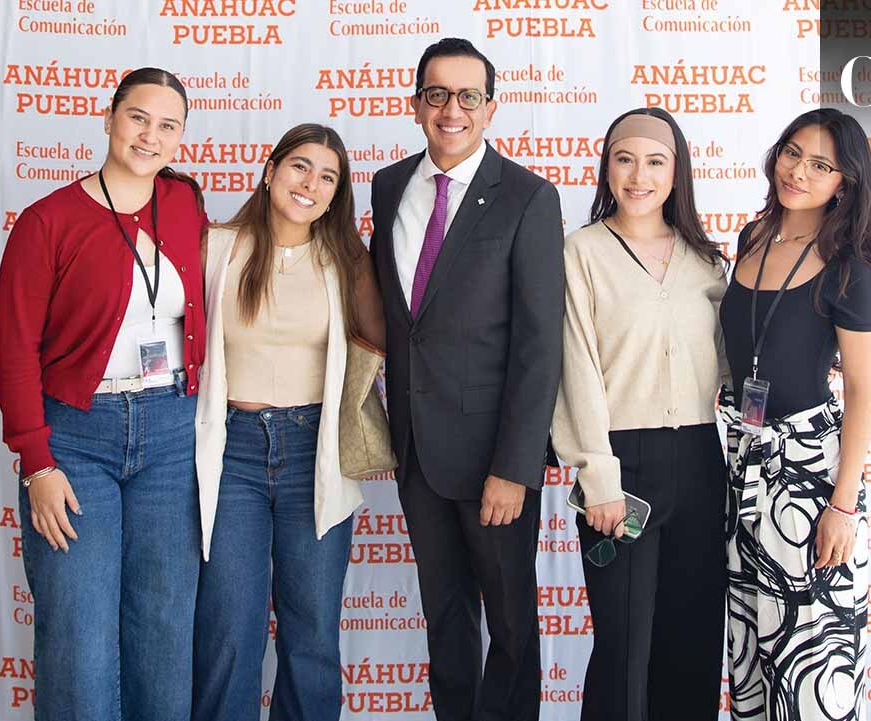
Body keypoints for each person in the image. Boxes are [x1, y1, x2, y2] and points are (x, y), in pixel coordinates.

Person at [0, 68, 208, 721]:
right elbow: (12, 352)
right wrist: (38, 460)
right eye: (139, 117)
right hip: (76, 437)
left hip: (171, 431)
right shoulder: (47, 220)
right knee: (80, 636)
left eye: (168, 125)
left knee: (163, 630)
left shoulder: (182, 205)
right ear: (110, 118)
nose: (151, 134)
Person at [368, 37, 564, 721]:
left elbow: (541, 346)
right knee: (445, 622)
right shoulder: (388, 185)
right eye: (437, 94)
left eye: (468, 96)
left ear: (491, 108)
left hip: (493, 463)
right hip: (417, 451)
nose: (452, 109)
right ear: (416, 103)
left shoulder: (529, 197)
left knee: (510, 629)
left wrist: (516, 465)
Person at [192, 123, 385, 721]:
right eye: (301, 166)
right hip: (233, 453)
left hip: (313, 450)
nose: (311, 183)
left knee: (312, 633)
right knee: (228, 627)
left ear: (336, 194)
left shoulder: (345, 261)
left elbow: (386, 345)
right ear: (271, 169)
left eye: (327, 177)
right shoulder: (216, 247)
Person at [551, 107, 730, 721]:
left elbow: (731, 367)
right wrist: (598, 477)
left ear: (677, 173)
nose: (638, 176)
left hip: (704, 464)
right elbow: (574, 371)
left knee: (693, 640)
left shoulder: (706, 260)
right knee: (625, 647)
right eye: (624, 159)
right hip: (622, 470)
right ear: (606, 167)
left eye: (656, 161)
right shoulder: (582, 252)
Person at [718, 108, 871, 721]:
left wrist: (843, 506)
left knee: (810, 663)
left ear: (844, 182)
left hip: (810, 473)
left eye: (821, 165)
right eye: (792, 152)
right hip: (743, 461)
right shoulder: (752, 237)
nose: (799, 171)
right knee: (750, 657)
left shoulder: (850, 268)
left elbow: (864, 394)